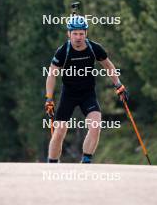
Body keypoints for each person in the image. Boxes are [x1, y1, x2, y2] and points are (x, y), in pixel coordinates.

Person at [45, 15, 128, 163]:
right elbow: (52, 74)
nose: (78, 37)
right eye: (75, 33)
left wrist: (118, 85)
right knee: (60, 131)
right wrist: (49, 98)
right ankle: (52, 163)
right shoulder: (63, 50)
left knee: (96, 126)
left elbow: (108, 66)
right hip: (68, 95)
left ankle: (86, 161)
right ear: (68, 34)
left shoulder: (94, 48)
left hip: (87, 94)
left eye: (81, 33)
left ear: (86, 33)